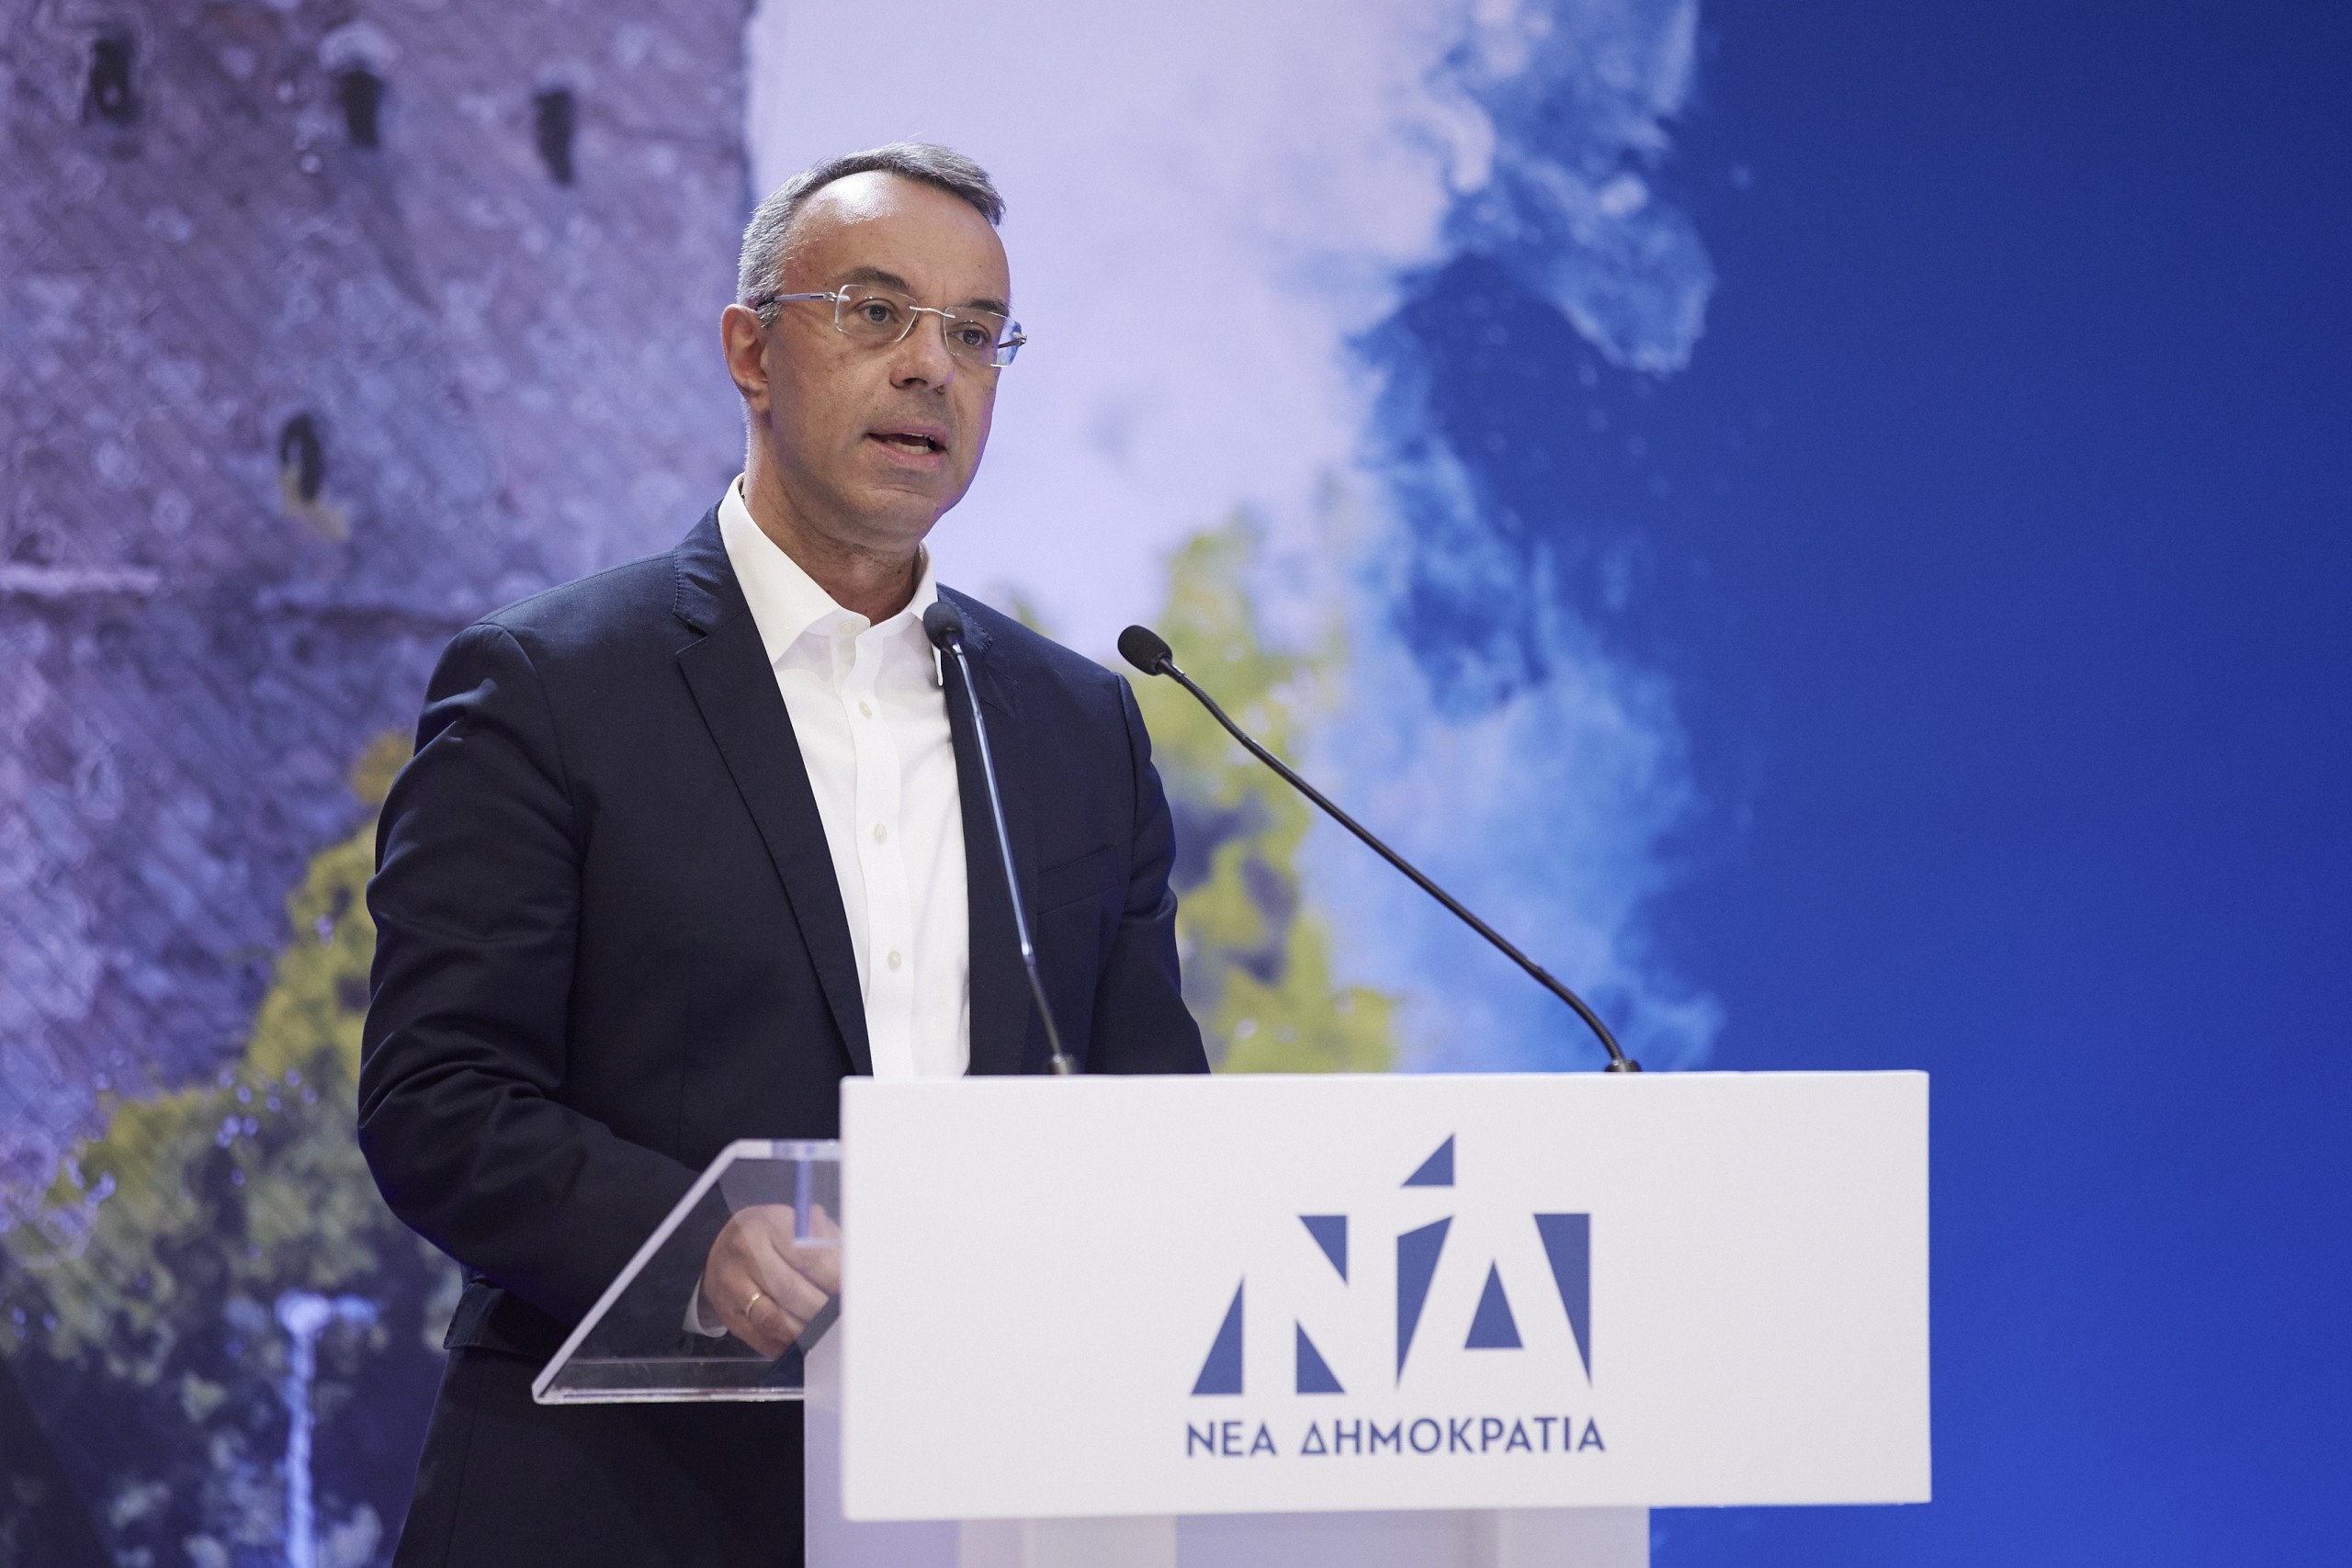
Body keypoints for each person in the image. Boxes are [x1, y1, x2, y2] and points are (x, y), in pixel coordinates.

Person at [358, 142, 1207, 1568]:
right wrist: (691, 1236)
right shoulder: (550, 686)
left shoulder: (1079, 726)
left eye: (976, 334)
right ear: (752, 351)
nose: (931, 367)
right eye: (876, 313)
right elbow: (436, 1099)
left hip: (983, 1505)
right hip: (624, 1505)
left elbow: (1148, 1118)